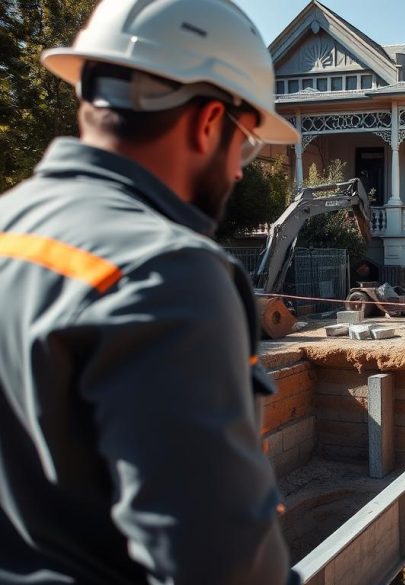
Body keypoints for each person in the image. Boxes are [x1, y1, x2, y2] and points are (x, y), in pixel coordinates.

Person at [0, 1, 300, 583]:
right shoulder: (168, 273)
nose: (238, 172)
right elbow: (221, 568)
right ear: (209, 120)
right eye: (244, 147)